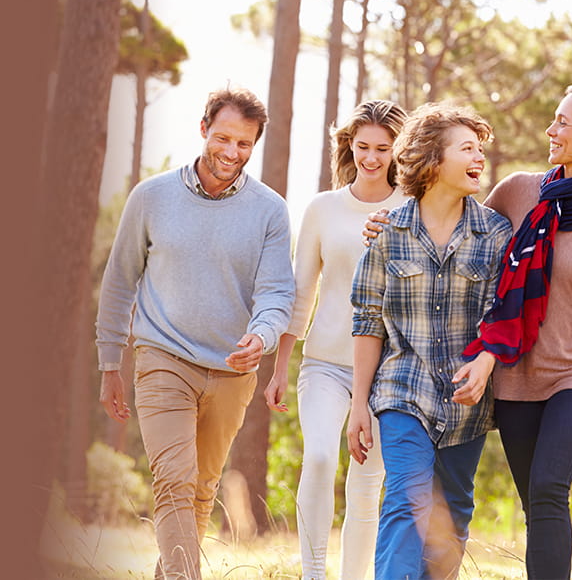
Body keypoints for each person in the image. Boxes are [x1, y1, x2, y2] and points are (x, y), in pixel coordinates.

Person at [363, 82, 572, 578]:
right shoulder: (519, 192)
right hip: (516, 376)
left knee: (548, 487)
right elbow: (452, 219)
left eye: (563, 122)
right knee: (534, 502)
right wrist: (388, 222)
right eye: (554, 118)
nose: (551, 129)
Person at [95, 87, 294, 580]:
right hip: (163, 357)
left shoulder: (270, 210)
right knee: (174, 480)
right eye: (223, 138)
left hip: (232, 367)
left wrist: (262, 337)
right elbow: (119, 282)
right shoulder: (151, 197)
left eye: (244, 143)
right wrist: (109, 362)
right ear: (204, 129)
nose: (231, 152)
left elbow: (276, 293)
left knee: (202, 489)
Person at [344, 102, 514, 580]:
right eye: (467, 149)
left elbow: (502, 314)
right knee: (406, 496)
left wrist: (485, 362)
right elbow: (367, 320)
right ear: (433, 160)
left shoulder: (494, 234)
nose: (479, 158)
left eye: (480, 149)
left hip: (467, 401)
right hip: (403, 388)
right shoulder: (389, 233)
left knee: (453, 513)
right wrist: (359, 404)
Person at [260, 100, 410, 580]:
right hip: (324, 362)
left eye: (383, 149)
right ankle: (313, 573)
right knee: (321, 457)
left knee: (366, 485)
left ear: (397, 151)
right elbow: (301, 293)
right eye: (363, 146)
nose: (371, 158)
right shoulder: (322, 208)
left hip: (388, 369)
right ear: (349, 145)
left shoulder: (411, 208)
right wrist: (280, 369)